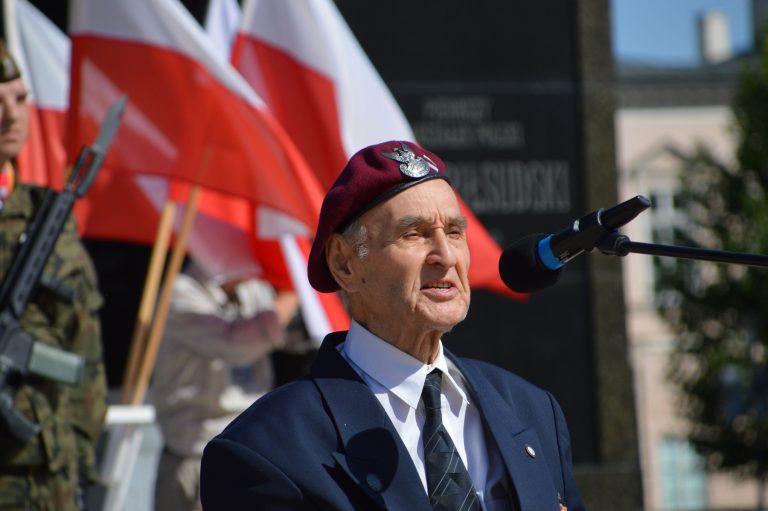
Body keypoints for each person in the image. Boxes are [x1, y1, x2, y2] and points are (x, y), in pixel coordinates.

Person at [200, 140, 585, 510]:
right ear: (344, 263)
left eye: (454, 232)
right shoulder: (267, 448)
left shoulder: (532, 410)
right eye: (413, 233)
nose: (446, 255)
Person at [0, 41, 108, 510]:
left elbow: (83, 348)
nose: (12, 116)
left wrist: (80, 461)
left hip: (50, 480)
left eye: (20, 99)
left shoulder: (48, 217)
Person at [152, 259, 299, 511]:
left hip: (248, 449)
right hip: (194, 454)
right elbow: (237, 345)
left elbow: (288, 340)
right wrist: (289, 295)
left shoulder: (254, 290)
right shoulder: (180, 292)